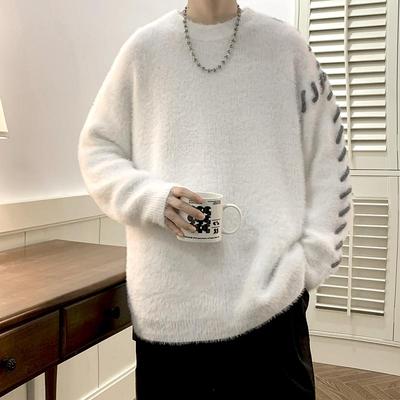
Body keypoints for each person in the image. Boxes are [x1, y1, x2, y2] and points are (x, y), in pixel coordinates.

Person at [77, 1, 352, 398]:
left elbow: (328, 160)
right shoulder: (143, 50)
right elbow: (97, 150)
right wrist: (151, 198)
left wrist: (310, 262)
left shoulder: (286, 48)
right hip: (167, 314)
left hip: (273, 309)